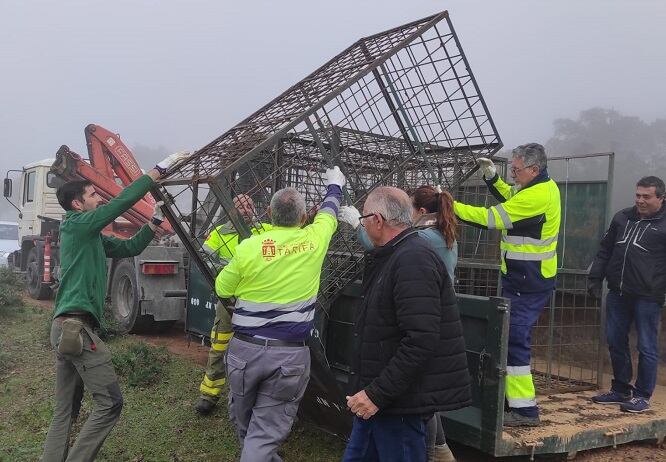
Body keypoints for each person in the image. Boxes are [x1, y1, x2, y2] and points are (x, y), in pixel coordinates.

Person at [41, 151, 191, 462]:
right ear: (77, 204)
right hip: (75, 329)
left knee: (65, 411)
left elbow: (130, 247)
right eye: (93, 194)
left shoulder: (90, 236)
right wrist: (156, 172)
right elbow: (121, 203)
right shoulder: (77, 225)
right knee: (110, 402)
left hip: (69, 329)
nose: (99, 198)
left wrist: (154, 222)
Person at [215, 166, 345, 462]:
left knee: (244, 422)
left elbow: (223, 287)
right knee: (263, 434)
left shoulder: (250, 247)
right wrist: (334, 185)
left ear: (269, 216)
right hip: (287, 357)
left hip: (243, 351)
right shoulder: (314, 240)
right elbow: (328, 213)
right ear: (303, 219)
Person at [341, 186, 471, 462]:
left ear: (377, 220)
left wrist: (377, 394)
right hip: (375, 402)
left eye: (364, 219)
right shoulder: (393, 254)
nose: (363, 225)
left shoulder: (412, 259)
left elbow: (421, 340)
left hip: (396, 406)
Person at [453, 143, 561, 427]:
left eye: (516, 170)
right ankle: (511, 400)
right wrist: (491, 177)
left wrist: (450, 206)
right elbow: (510, 195)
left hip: (530, 279)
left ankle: (526, 411)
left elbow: (492, 218)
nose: (513, 175)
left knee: (514, 338)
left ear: (533, 169)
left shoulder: (537, 195)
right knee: (508, 337)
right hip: (520, 276)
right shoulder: (534, 187)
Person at [589, 176, 666, 413]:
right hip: (618, 293)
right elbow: (605, 250)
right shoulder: (622, 217)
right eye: (638, 195)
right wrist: (595, 277)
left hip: (648, 296)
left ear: (661, 198)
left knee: (646, 346)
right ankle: (621, 389)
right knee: (615, 341)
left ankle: (642, 395)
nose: (640, 200)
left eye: (647, 196)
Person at [195, 194, 272, 415]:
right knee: (219, 345)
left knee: (257, 349)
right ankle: (209, 394)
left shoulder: (265, 230)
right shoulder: (219, 234)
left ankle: (252, 396)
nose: (246, 209)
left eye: (249, 205)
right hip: (228, 300)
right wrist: (229, 268)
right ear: (231, 210)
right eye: (240, 206)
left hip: (257, 300)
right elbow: (203, 258)